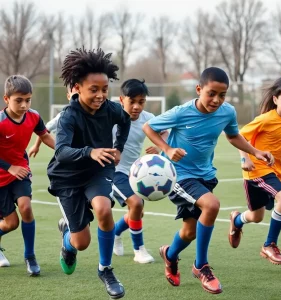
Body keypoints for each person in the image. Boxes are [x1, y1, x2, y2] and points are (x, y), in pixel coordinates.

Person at [143, 67, 274, 294]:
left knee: (189, 232)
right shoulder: (181, 112)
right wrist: (167, 148)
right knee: (211, 204)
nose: (216, 100)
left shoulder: (227, 112)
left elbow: (233, 136)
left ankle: (170, 255)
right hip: (179, 175)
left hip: (206, 175)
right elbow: (149, 127)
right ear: (199, 89)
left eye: (222, 95)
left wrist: (256, 152)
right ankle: (200, 266)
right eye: (211, 93)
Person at [47, 48, 131, 299]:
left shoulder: (111, 109)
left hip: (98, 170)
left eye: (104, 89)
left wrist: (118, 148)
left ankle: (105, 270)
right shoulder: (69, 116)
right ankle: (67, 240)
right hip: (67, 177)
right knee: (81, 242)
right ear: (77, 88)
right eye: (93, 89)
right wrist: (89, 151)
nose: (100, 95)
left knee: (104, 209)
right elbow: (61, 151)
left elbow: (125, 121)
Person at [228, 76, 281, 265]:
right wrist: (245, 159)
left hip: (274, 172)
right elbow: (239, 136)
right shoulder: (265, 119)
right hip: (256, 170)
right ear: (276, 99)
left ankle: (236, 221)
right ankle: (269, 245)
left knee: (256, 217)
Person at [0, 75, 55, 275]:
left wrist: (64, 151)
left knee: (26, 207)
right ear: (6, 99)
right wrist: (9, 167)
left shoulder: (33, 116)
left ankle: (30, 257)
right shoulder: (0, 121)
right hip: (1, 177)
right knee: (11, 223)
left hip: (21, 171)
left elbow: (45, 135)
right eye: (19, 100)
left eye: (28, 100)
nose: (24, 105)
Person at [112, 79, 168, 264]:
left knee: (137, 212)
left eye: (141, 102)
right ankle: (139, 251)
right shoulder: (110, 113)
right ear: (122, 99)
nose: (137, 106)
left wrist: (160, 147)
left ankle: (115, 232)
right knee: (136, 205)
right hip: (112, 170)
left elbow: (166, 131)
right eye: (132, 101)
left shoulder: (148, 118)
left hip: (135, 173)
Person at [28, 86, 77, 158]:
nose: (77, 99)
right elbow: (46, 130)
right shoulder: (63, 116)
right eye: (75, 96)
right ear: (68, 96)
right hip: (71, 157)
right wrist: (36, 146)